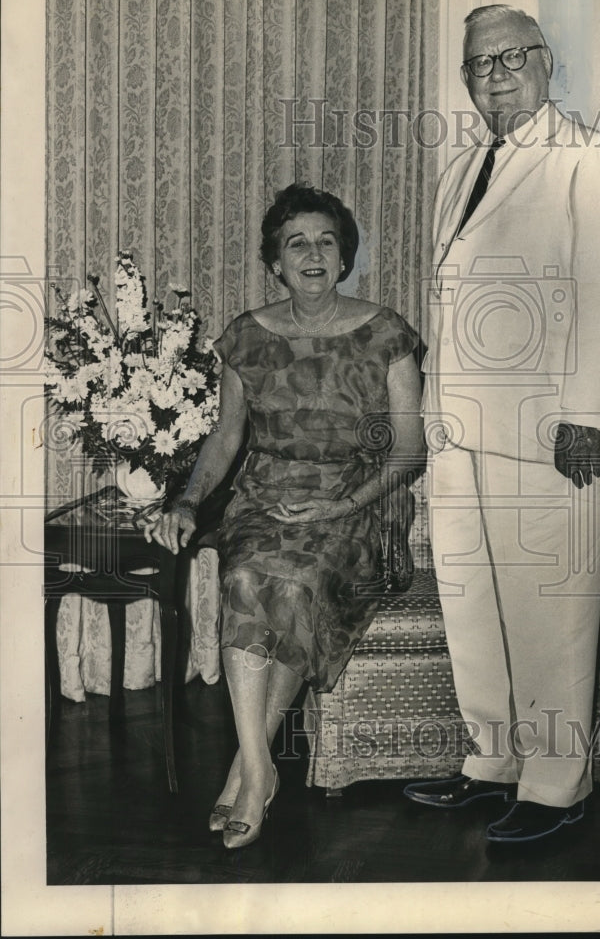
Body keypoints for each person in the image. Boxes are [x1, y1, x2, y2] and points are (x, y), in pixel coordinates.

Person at [404, 5, 600, 842]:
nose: (496, 74)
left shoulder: (593, 160)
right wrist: (434, 417)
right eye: (480, 63)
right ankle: (491, 760)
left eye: (513, 57)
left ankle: (555, 783)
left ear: (546, 63)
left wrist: (584, 416)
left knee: (551, 610)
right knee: (472, 603)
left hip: (551, 433)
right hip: (460, 431)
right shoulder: (459, 166)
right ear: (466, 79)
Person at [145, 183, 423, 849]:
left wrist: (341, 503)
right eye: (297, 242)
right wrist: (186, 499)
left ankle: (247, 772)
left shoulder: (386, 332)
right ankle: (259, 765)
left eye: (327, 240)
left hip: (360, 500)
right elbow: (225, 437)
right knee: (248, 579)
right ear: (276, 261)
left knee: (297, 584)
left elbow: (410, 450)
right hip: (265, 496)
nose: (314, 253)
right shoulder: (246, 336)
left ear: (344, 253)